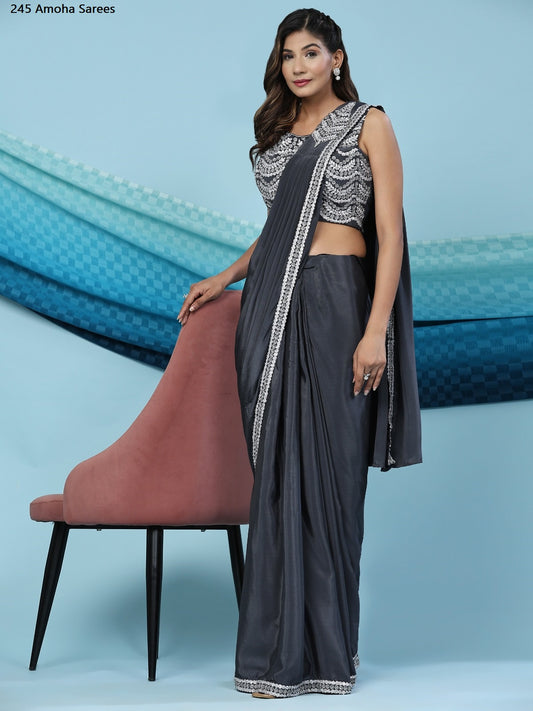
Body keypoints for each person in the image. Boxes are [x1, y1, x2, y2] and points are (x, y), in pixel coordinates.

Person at [178, 8, 422, 699]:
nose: (298, 65)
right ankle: (273, 661)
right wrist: (227, 275)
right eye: (288, 55)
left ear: (337, 58)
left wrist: (374, 330)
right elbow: (278, 232)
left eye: (311, 52)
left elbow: (388, 234)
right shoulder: (279, 134)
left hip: (340, 301)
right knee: (279, 482)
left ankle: (328, 657)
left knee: (335, 477)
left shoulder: (368, 123)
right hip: (271, 306)